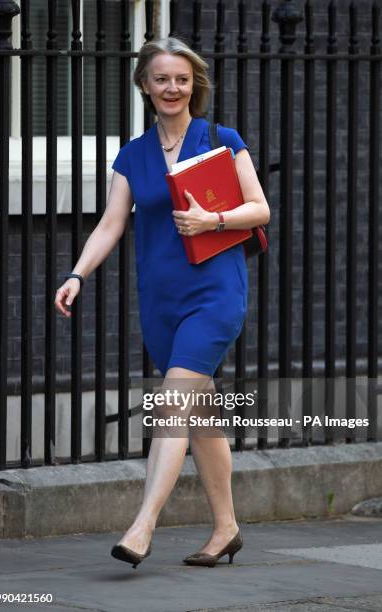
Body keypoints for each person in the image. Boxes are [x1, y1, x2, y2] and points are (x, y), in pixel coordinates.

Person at [55, 36, 270, 569]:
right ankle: (226, 529)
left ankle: (143, 524)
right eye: (161, 79)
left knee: (173, 403)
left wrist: (212, 220)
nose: (172, 88)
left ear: (193, 84)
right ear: (145, 87)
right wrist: (78, 274)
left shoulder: (221, 140)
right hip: (161, 300)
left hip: (215, 292)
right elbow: (111, 224)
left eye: (181, 79)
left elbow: (259, 209)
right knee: (201, 415)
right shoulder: (133, 155)